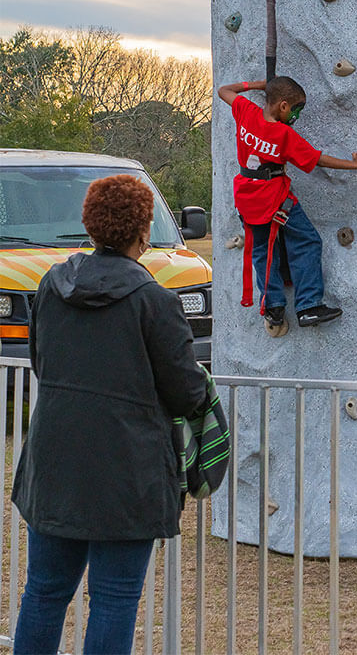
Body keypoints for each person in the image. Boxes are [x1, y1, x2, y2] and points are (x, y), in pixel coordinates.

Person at [11, 174, 208, 655]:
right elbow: (186, 392)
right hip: (128, 472)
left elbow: (42, 363)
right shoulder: (155, 302)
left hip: (54, 463)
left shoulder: (51, 286)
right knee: (115, 599)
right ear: (143, 231)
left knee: (44, 592)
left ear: (91, 223)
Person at [217, 76, 357, 331]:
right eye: (295, 109)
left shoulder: (246, 112)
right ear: (282, 106)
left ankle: (273, 308)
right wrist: (355, 164)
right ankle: (309, 305)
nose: (296, 116)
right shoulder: (283, 135)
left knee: (262, 251)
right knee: (306, 241)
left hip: (247, 198)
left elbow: (224, 90)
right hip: (274, 198)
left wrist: (258, 85)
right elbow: (317, 159)